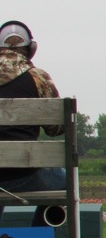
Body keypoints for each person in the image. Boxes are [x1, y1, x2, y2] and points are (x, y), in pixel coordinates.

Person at [0, 20, 66, 226]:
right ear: (31, 49)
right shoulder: (38, 78)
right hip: (24, 176)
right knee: (64, 179)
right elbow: (57, 128)